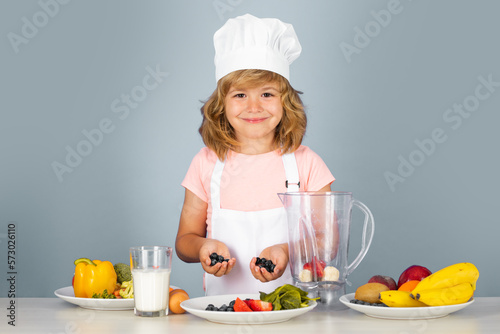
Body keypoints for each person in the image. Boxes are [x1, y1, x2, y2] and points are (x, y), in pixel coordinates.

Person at [175, 14, 335, 296]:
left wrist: (287, 251)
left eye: (267, 94)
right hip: (223, 315)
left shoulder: (308, 165)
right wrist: (202, 247)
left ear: (286, 102)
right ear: (221, 104)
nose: (254, 107)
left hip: (294, 315)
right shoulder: (205, 164)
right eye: (239, 95)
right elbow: (185, 242)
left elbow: (327, 242)